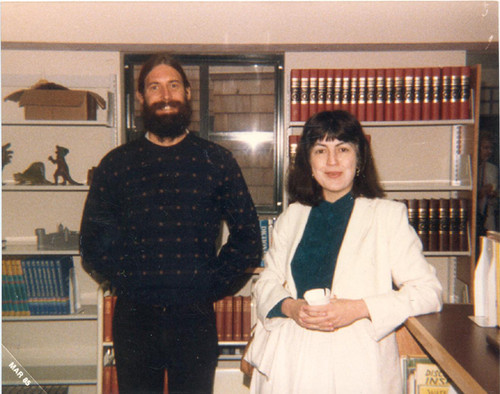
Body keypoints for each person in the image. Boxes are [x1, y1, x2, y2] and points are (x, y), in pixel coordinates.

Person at [80, 54, 263, 394]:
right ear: (141, 98)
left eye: (173, 86)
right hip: (134, 318)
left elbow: (248, 238)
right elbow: (93, 242)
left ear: (188, 93)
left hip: (194, 318)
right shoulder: (116, 165)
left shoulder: (217, 161)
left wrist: (210, 284)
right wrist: (130, 280)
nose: (165, 96)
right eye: (154, 87)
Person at [246, 110, 443, 393]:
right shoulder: (293, 216)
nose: (332, 161)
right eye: (320, 150)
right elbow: (267, 281)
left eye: (343, 149)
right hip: (291, 362)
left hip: (356, 365)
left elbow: (428, 291)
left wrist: (358, 308)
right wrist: (292, 306)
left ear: (359, 158)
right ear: (308, 161)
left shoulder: (387, 216)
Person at [477, 130, 498, 235]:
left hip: (488, 217)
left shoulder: (493, 169)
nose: (489, 151)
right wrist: (482, 190)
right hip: (474, 217)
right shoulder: (472, 168)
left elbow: (493, 191)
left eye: (491, 148)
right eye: (485, 148)